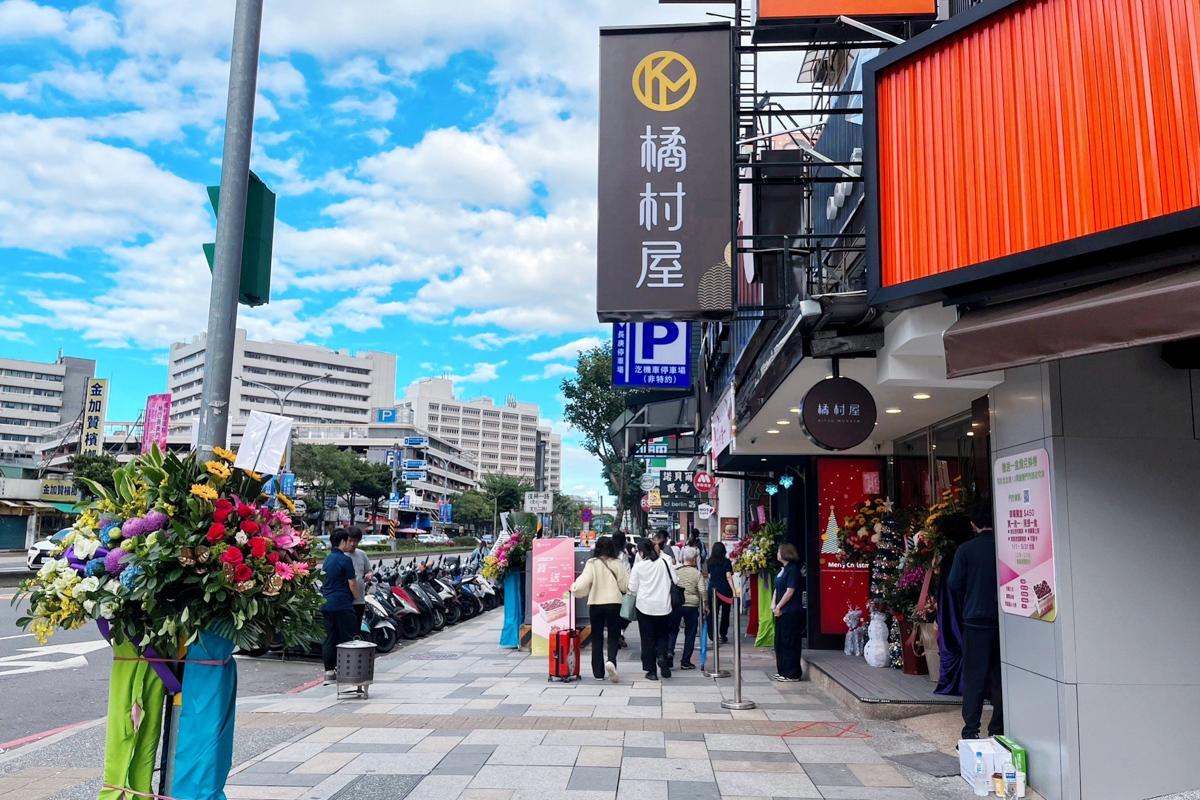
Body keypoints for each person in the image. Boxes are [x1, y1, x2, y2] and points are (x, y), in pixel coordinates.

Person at [948, 502, 1004, 739]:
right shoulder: (1005, 548)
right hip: (1003, 622)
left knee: (974, 678)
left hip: (974, 619)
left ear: (973, 524)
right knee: (1001, 678)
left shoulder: (966, 550)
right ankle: (998, 729)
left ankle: (971, 730)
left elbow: (953, 583)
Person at [569, 536, 630, 683]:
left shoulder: (592, 563)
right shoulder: (618, 563)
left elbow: (583, 583)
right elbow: (624, 586)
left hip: (597, 604)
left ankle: (598, 672)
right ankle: (611, 661)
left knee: (597, 638)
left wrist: (574, 589)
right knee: (613, 636)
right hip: (614, 604)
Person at [628, 538, 676, 681]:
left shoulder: (638, 567)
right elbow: (676, 580)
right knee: (662, 635)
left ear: (641, 552)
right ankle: (662, 656)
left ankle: (651, 671)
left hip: (644, 607)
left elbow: (632, 588)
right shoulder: (664, 562)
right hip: (664, 606)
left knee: (647, 638)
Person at [321, 528, 360, 683]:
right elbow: (352, 582)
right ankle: (347, 671)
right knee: (348, 638)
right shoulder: (345, 560)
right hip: (343, 604)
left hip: (326, 604)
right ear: (343, 542)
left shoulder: (328, 559)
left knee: (330, 638)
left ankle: (329, 673)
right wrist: (356, 596)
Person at [668, 546, 706, 670]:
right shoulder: (697, 573)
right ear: (694, 560)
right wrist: (706, 604)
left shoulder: (677, 571)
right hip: (692, 605)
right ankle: (685, 661)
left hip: (677, 604)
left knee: (673, 630)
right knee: (690, 633)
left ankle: (669, 652)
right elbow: (702, 590)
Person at [771, 543, 805, 682]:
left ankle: (792, 672)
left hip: (791, 611)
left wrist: (779, 605)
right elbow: (777, 588)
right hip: (781, 611)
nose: (777, 553)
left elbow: (790, 591)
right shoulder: (782, 570)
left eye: (779, 551)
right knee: (780, 642)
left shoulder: (793, 570)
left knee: (790, 642)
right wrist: (773, 603)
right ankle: (783, 670)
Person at [705, 541, 733, 643]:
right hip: (725, 590)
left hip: (712, 589)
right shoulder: (727, 562)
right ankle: (723, 634)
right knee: (725, 613)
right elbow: (728, 576)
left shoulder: (709, 562)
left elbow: (708, 573)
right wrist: (734, 590)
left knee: (713, 613)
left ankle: (712, 634)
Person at [346, 528, 373, 628]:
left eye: (355, 541)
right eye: (350, 541)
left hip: (360, 599)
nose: (352, 544)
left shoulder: (362, 554)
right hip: (347, 600)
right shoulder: (342, 555)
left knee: (357, 627)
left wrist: (369, 575)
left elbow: (369, 570)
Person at [611, 530, 632, 648]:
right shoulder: (622, 555)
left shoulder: (608, 554)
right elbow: (626, 571)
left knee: (613, 615)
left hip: (608, 588)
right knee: (624, 614)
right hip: (620, 589)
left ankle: (615, 635)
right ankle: (619, 634)